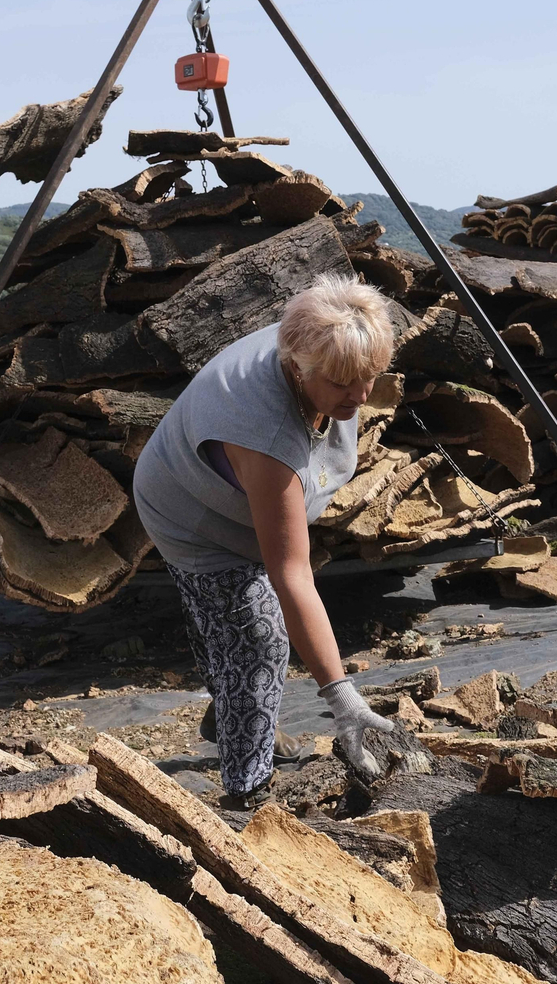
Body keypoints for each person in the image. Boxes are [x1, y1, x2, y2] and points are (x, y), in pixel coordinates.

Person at [133, 274, 398, 808]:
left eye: (370, 377)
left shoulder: (323, 355)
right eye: (346, 384)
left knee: (235, 633)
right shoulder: (267, 433)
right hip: (189, 513)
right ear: (299, 369)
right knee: (258, 636)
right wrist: (342, 697)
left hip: (239, 500)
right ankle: (245, 796)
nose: (363, 396)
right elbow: (290, 574)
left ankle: (232, 707)